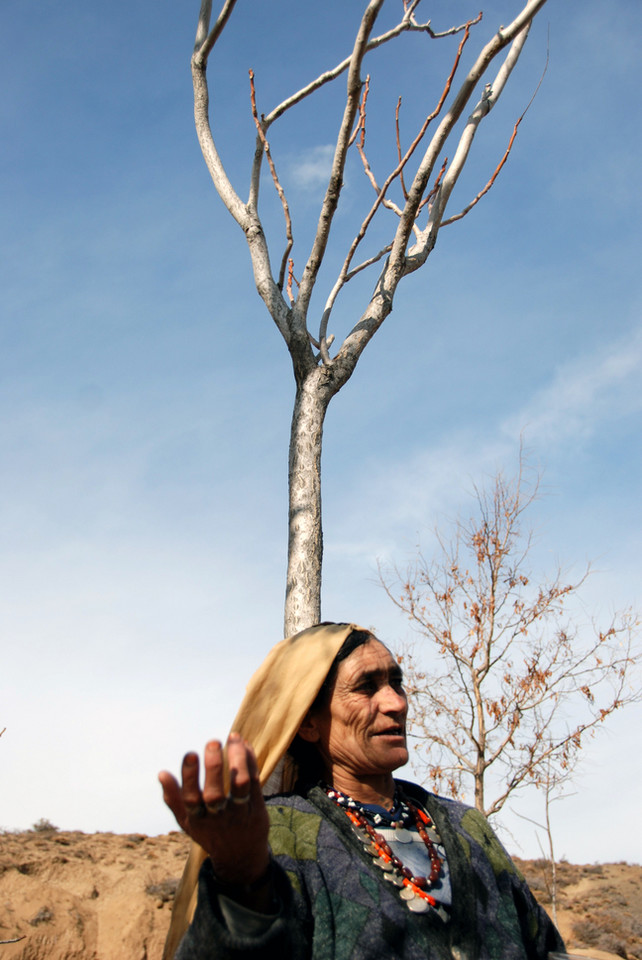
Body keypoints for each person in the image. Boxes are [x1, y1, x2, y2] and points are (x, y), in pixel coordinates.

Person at [160, 622, 564, 959]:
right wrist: (241, 875)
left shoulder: (467, 826)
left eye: (396, 683)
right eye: (366, 687)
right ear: (308, 724)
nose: (396, 703)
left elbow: (545, 947)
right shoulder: (284, 832)